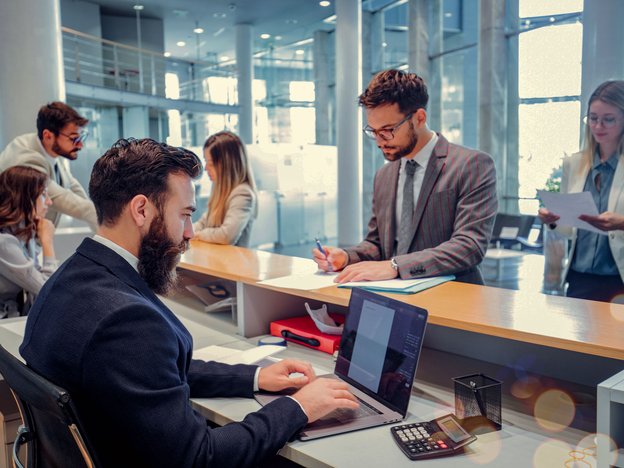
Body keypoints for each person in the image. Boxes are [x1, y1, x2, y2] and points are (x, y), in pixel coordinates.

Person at [20, 138, 358, 467]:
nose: (189, 233)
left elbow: (151, 373)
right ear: (141, 210)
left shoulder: (71, 278)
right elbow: (200, 457)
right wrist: (298, 408)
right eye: (184, 214)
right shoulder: (128, 321)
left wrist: (255, 377)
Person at [313, 69, 498, 284]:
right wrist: (346, 257)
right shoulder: (384, 175)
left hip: (452, 298)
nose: (380, 140)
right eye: (373, 131)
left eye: (388, 130)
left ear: (419, 118)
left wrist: (395, 266)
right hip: (393, 297)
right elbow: (378, 244)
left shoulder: (471, 165)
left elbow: (469, 246)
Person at [538, 80, 624, 302]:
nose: (598, 126)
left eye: (608, 119)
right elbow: (569, 229)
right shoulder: (575, 164)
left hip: (619, 280)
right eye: (593, 118)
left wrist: (622, 223)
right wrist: (553, 219)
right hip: (579, 279)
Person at [0, 102, 98, 231]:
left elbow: (72, 186)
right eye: (74, 138)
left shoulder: (50, 152)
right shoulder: (26, 158)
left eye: (81, 138)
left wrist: (97, 219)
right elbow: (59, 197)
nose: (80, 145)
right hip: (10, 241)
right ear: (48, 136)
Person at [0, 166, 56, 317]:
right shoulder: (4, 242)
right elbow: (48, 290)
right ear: (25, 197)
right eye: (43, 195)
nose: (49, 202)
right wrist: (47, 242)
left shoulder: (23, 233)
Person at [193, 131, 258, 247]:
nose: (206, 168)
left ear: (227, 165)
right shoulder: (220, 189)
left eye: (211, 163)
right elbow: (204, 222)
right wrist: (186, 232)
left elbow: (226, 235)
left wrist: (199, 235)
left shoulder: (243, 193)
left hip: (233, 263)